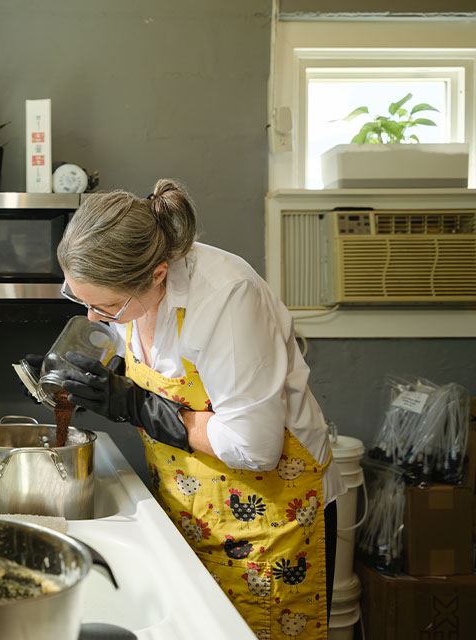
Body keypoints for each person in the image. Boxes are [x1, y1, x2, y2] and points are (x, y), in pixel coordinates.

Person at [48, 180, 344, 639]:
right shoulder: (131, 297)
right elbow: (159, 373)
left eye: (104, 305)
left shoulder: (227, 296)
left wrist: (137, 406)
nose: (92, 318)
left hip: (272, 520)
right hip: (189, 504)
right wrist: (86, 378)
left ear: (158, 275)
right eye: (78, 298)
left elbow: (254, 446)